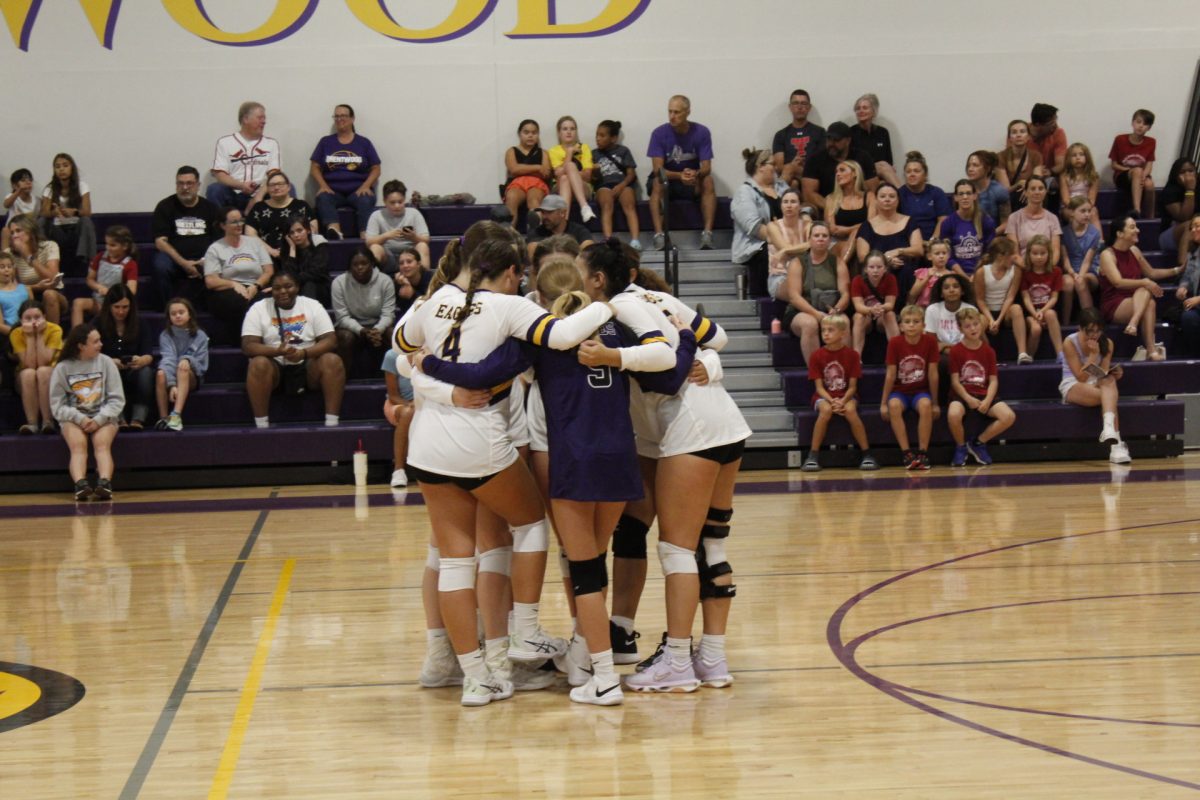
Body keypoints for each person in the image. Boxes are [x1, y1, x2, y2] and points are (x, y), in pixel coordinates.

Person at [392, 235, 622, 707]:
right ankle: (527, 630)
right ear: (512, 272)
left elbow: (402, 348)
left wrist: (435, 382)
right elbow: (561, 335)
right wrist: (608, 307)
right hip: (477, 438)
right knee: (531, 522)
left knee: (454, 558)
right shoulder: (507, 305)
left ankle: (477, 676)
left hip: (427, 443)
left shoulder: (435, 301)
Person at [242, 269, 344, 429]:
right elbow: (248, 345)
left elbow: (330, 340)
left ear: (297, 287)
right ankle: (261, 426)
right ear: (271, 290)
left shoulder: (312, 305)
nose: (283, 291)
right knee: (258, 363)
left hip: (307, 363)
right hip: (274, 365)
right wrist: (277, 351)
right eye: (277, 288)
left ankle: (332, 423)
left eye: (288, 286)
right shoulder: (258, 308)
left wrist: (303, 353)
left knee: (332, 360)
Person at [51, 324, 125, 500]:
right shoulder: (63, 368)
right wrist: (80, 418)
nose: (100, 344)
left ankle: (104, 483)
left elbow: (117, 399)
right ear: (81, 346)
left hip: (104, 416)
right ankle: (80, 485)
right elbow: (57, 405)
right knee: (78, 447)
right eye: (95, 341)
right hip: (74, 418)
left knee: (101, 445)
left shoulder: (106, 362)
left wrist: (99, 419)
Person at [1099, 213, 1180, 361]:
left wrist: (1176, 270)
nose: (1138, 230)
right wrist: (1144, 282)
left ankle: (1139, 331)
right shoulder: (1107, 254)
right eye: (1132, 227)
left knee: (1148, 299)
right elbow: (1118, 282)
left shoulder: (1135, 251)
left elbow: (1152, 273)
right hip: (1114, 303)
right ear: (1120, 233)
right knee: (1145, 289)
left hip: (1137, 299)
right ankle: (1149, 345)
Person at [802, 313, 876, 471]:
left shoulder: (852, 355)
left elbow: (852, 387)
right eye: (823, 330)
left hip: (846, 395)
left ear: (843, 334)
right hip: (824, 396)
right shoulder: (816, 355)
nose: (826, 334)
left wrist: (842, 401)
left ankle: (867, 454)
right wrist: (832, 401)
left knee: (850, 410)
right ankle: (812, 455)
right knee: (826, 411)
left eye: (831, 330)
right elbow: (819, 388)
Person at [947, 306, 1016, 466]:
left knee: (1008, 416)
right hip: (964, 394)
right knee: (953, 414)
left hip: (984, 393)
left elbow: (993, 380)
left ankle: (977, 443)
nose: (973, 328)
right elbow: (955, 382)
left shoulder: (988, 351)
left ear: (981, 324)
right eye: (968, 326)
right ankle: (961, 446)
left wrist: (987, 400)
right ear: (960, 328)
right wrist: (968, 398)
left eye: (976, 324)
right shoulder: (956, 351)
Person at [1060, 308, 1130, 464]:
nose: (1094, 335)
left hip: (1096, 384)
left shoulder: (1108, 343)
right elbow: (1080, 376)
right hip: (1073, 384)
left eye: (1098, 331)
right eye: (1090, 331)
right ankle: (1116, 444)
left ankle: (1108, 431)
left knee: (1110, 382)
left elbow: (1102, 373)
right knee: (1110, 398)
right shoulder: (1070, 342)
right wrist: (1092, 355)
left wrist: (1113, 373)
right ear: (1080, 328)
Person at [646, 95, 717, 250]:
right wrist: (679, 176)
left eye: (677, 112)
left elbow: (706, 166)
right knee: (658, 182)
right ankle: (659, 235)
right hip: (668, 179)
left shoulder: (702, 132)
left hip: (691, 179)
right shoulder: (659, 133)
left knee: (708, 180)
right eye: (670, 112)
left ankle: (707, 234)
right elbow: (658, 169)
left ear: (687, 112)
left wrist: (695, 174)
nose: (672, 116)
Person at [879, 304, 940, 471]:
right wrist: (883, 402)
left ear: (923, 325)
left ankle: (922, 453)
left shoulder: (930, 342)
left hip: (921, 391)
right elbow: (891, 374)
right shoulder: (895, 343)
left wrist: (935, 402)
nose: (911, 325)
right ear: (901, 326)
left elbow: (933, 374)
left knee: (926, 405)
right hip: (900, 391)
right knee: (893, 406)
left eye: (916, 321)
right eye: (907, 321)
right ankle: (906, 453)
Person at [151, 166, 220, 310]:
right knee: (160, 265)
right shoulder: (164, 206)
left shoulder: (211, 208)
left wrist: (203, 262)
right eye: (180, 183)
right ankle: (168, 310)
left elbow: (219, 242)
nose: (185, 187)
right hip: (175, 259)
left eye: (189, 183)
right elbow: (160, 242)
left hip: (204, 259)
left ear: (198, 185)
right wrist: (183, 263)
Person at [203, 207, 274, 345]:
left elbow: (268, 271)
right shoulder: (215, 248)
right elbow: (211, 281)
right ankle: (246, 342)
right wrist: (234, 284)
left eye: (241, 221)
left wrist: (256, 286)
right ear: (223, 225)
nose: (239, 225)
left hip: (255, 286)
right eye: (234, 222)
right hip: (227, 290)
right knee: (238, 302)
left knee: (268, 299)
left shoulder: (254, 243)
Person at [310, 103, 381, 239]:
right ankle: (334, 232)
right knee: (322, 198)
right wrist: (323, 186)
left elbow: (376, 168)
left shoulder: (364, 143)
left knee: (366, 200)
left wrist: (366, 186)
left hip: (358, 190)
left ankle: (365, 236)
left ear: (352, 119)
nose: (339, 119)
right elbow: (314, 167)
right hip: (333, 191)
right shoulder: (325, 142)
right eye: (336, 116)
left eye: (343, 116)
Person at [784, 221, 850, 364]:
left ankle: (842, 369)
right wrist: (817, 315)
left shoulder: (838, 262)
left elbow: (845, 294)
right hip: (802, 311)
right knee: (810, 323)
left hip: (831, 308)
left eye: (824, 236)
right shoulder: (797, 262)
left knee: (843, 321)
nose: (821, 239)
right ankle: (816, 372)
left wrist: (836, 310)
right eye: (817, 235)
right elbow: (794, 297)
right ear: (809, 240)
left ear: (830, 240)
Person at [93, 284, 155, 430]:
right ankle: (117, 416)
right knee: (108, 372)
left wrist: (141, 360)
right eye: (117, 307)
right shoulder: (98, 323)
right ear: (109, 306)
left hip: (134, 371)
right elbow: (90, 352)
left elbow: (149, 354)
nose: (121, 311)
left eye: (125, 307)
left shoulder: (141, 323)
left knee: (146, 373)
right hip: (109, 371)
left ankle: (138, 418)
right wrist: (109, 361)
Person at [732, 148, 787, 296]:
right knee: (768, 253)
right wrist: (781, 242)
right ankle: (765, 297)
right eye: (772, 164)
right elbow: (754, 227)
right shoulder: (744, 192)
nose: (776, 168)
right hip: (756, 246)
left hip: (787, 239)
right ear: (760, 167)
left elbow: (797, 207)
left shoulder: (782, 187)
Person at [206, 101, 281, 211]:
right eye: (260, 118)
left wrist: (258, 197)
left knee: (287, 188)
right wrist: (241, 185)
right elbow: (220, 175)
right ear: (245, 119)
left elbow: (274, 174)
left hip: (263, 194)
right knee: (214, 189)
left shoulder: (271, 144)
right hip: (234, 194)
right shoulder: (225, 142)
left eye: (264, 118)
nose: (264, 122)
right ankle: (223, 225)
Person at [332, 246, 395, 375]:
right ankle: (343, 379)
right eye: (355, 264)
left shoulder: (385, 281)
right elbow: (342, 317)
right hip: (351, 328)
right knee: (345, 337)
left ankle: (393, 378)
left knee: (392, 333)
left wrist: (377, 329)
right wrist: (361, 330)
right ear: (349, 267)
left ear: (372, 264)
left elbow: (388, 314)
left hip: (377, 326)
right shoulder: (338, 283)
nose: (359, 267)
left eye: (364, 263)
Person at [855, 181, 922, 290]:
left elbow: (918, 249)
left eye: (891, 196)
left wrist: (898, 251)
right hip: (877, 273)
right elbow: (862, 257)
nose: (887, 199)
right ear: (876, 200)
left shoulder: (909, 221)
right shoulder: (867, 226)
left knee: (906, 271)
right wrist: (886, 261)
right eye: (882, 196)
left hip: (905, 271)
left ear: (898, 200)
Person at [973, 237, 1031, 363]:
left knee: (1017, 309)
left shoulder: (1016, 271)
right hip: (987, 312)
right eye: (1012, 255)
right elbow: (981, 300)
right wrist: (991, 320)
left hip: (1005, 313)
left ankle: (1022, 353)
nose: (1015, 258)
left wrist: (998, 320)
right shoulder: (982, 272)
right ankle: (988, 356)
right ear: (1001, 256)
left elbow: (1010, 297)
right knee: (977, 321)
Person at [155, 297, 208, 431]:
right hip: (172, 373)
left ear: (189, 314)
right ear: (169, 317)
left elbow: (201, 364)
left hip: (192, 375)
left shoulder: (200, 335)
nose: (177, 316)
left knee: (183, 366)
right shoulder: (166, 335)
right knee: (160, 373)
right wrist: (172, 384)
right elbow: (168, 358)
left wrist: (187, 360)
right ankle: (164, 418)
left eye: (181, 312)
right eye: (173, 314)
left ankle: (176, 415)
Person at [9, 299, 62, 434]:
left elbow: (44, 362)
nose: (33, 322)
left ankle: (47, 422)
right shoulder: (16, 333)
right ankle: (32, 423)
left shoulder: (55, 329)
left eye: (37, 317)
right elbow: (30, 364)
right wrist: (30, 337)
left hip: (50, 375)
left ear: (44, 317)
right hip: (25, 379)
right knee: (28, 373)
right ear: (21, 320)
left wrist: (39, 335)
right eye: (28, 318)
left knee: (43, 371)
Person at [802, 121, 878, 212]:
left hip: (858, 207)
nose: (831, 143)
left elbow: (872, 189)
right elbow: (809, 194)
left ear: (848, 141)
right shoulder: (815, 159)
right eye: (829, 139)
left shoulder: (863, 157)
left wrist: (857, 207)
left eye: (836, 140)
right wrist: (834, 209)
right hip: (827, 208)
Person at [71, 225, 138, 328]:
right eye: (106, 244)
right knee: (78, 303)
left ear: (124, 246)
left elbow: (131, 290)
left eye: (112, 245)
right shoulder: (101, 257)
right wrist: (99, 287)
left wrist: (113, 294)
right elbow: (90, 279)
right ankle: (77, 335)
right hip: (98, 301)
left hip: (115, 304)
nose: (108, 248)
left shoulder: (130, 264)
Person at [6, 214, 66, 325]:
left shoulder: (50, 246)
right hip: (26, 293)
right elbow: (9, 287)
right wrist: (36, 287)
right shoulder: (9, 253)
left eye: (18, 231)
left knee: (49, 294)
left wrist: (28, 256)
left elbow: (52, 278)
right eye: (12, 233)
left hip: (53, 292)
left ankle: (53, 337)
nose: (15, 236)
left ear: (30, 231)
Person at [40, 153, 94, 270]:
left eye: (65, 165)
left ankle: (84, 259)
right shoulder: (49, 188)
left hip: (75, 229)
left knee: (86, 220)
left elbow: (87, 211)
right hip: (57, 230)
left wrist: (74, 212)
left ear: (72, 168)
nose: (61, 169)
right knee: (42, 221)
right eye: (58, 166)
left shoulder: (82, 186)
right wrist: (53, 212)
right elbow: (43, 212)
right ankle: (41, 258)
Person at [245, 171, 317, 257]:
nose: (276, 187)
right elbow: (250, 234)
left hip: (299, 255)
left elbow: (313, 231)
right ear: (267, 189)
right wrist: (271, 251)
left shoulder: (301, 205)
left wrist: (293, 251)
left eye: (280, 184)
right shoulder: (258, 207)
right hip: (266, 256)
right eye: (272, 185)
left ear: (289, 187)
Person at [592, 120, 640, 247]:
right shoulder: (594, 154)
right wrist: (595, 172)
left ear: (613, 138)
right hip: (604, 186)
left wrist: (621, 186)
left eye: (602, 136)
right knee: (607, 204)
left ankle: (635, 240)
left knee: (629, 203)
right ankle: (608, 239)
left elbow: (631, 174)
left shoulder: (623, 151)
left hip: (622, 183)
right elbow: (593, 179)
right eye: (597, 135)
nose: (598, 139)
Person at [365, 179, 431, 272]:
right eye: (392, 202)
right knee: (375, 248)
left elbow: (426, 239)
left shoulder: (414, 213)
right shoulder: (376, 215)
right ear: (385, 201)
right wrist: (386, 236)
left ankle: (425, 279)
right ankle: (372, 282)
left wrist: (413, 237)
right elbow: (369, 242)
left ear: (404, 200)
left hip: (410, 255)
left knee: (422, 246)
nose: (397, 206)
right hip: (388, 257)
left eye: (400, 202)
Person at [937, 180, 995, 277]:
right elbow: (948, 256)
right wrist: (963, 276)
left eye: (968, 193)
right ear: (955, 197)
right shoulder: (947, 223)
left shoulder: (986, 221)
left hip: (981, 272)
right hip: (956, 274)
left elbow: (989, 252)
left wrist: (976, 274)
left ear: (975, 196)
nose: (965, 197)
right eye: (961, 194)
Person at [1020, 235, 1064, 357]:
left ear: (1049, 254)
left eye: (1042, 253)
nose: (1039, 257)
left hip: (1048, 310)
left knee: (1050, 313)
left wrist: (1043, 311)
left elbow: (1054, 297)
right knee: (1036, 329)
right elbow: (1026, 297)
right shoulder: (1025, 273)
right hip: (1031, 313)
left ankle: (1060, 353)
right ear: (1029, 254)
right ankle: (1028, 357)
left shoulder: (1056, 272)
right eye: (1035, 253)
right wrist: (1035, 314)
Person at [771, 89, 825, 189]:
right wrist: (793, 165)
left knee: (790, 169)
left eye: (803, 103)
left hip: (813, 176)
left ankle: (775, 197)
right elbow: (778, 167)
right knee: (794, 182)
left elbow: (822, 163)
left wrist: (800, 166)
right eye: (795, 103)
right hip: (790, 178)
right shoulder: (780, 135)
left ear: (809, 107)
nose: (800, 107)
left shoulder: (820, 132)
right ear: (790, 107)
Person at [503, 119, 552, 228]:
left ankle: (535, 234)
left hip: (537, 184)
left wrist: (523, 170)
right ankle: (509, 234)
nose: (530, 136)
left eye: (534, 133)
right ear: (519, 134)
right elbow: (514, 169)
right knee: (512, 197)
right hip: (516, 184)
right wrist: (537, 167)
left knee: (533, 199)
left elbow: (546, 173)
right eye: (526, 132)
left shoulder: (543, 153)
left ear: (538, 135)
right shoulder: (511, 151)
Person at [547, 115, 596, 223]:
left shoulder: (584, 148)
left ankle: (564, 222)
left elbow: (587, 176)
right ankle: (584, 207)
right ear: (559, 132)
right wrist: (569, 153)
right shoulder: (553, 150)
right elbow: (557, 174)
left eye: (572, 129)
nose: (569, 132)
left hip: (583, 187)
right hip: (559, 187)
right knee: (566, 175)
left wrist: (569, 172)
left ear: (576, 131)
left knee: (566, 175)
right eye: (565, 129)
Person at [1109, 109, 1157, 218]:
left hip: (1140, 175)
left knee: (1149, 185)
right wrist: (1131, 171)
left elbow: (1149, 164)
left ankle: (1150, 217)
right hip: (1122, 175)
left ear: (1149, 128)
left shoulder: (1151, 142)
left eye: (1145, 124)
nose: (1141, 126)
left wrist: (1143, 176)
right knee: (1137, 170)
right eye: (1138, 122)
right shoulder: (1120, 139)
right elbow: (1114, 165)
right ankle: (1137, 210)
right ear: (1133, 122)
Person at [765, 188, 812, 300]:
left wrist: (785, 251)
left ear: (800, 206)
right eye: (785, 202)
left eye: (793, 202)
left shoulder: (807, 225)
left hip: (805, 275)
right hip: (780, 277)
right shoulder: (773, 226)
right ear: (781, 206)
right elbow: (786, 247)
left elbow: (814, 244)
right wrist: (805, 246)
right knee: (798, 288)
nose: (789, 205)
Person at [850, 250, 899, 355]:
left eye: (879, 267)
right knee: (858, 316)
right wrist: (871, 310)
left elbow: (890, 305)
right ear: (865, 269)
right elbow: (858, 306)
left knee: (890, 314)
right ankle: (856, 356)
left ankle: (897, 354)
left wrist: (879, 309)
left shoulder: (890, 279)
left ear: (885, 268)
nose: (875, 271)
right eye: (871, 267)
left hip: (882, 315)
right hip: (866, 315)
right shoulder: (857, 280)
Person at [1006, 175, 1061, 268]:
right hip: (1022, 268)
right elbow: (1014, 253)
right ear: (1026, 192)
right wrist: (1030, 269)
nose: (1037, 192)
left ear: (1045, 192)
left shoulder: (1053, 218)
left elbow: (1055, 251)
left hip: (1046, 268)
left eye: (1040, 188)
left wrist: (1045, 269)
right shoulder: (1014, 218)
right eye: (1033, 189)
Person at [277, 215, 330, 306]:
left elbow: (316, 272)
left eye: (299, 230)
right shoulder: (288, 250)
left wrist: (294, 279)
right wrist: (292, 250)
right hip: (296, 288)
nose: (296, 235)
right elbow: (288, 275)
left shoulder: (319, 243)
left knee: (309, 285)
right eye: (292, 233)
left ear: (308, 230)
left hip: (319, 288)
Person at [380, 348, 414, 488]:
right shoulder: (392, 355)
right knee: (408, 414)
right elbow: (393, 396)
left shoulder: (431, 351)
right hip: (399, 403)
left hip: (426, 403)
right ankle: (399, 470)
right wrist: (411, 404)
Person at [898, 151, 951, 241]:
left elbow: (943, 219)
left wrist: (933, 240)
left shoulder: (936, 193)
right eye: (908, 171)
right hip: (907, 243)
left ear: (925, 174)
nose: (912, 174)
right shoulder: (899, 194)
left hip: (933, 242)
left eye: (916, 171)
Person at [1062, 196, 1101, 316]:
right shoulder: (1063, 232)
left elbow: (1087, 261)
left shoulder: (1094, 232)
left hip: (1089, 271)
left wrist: (1080, 276)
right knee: (1068, 283)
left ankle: (1090, 319)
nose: (1087, 214)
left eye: (1089, 211)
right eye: (1083, 211)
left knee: (1080, 281)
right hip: (1070, 270)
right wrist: (1072, 273)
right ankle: (1065, 322)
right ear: (1072, 213)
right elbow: (1065, 258)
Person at [849, 93, 899, 187]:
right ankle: (905, 196)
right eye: (858, 108)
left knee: (885, 171)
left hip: (880, 177)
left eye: (865, 108)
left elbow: (889, 161)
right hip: (859, 175)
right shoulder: (850, 133)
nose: (861, 111)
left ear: (874, 111)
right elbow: (850, 162)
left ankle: (900, 194)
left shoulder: (883, 132)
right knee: (882, 166)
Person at [525, 195, 593, 257]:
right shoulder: (537, 232)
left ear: (562, 213)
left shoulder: (578, 230)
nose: (544, 217)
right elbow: (532, 248)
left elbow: (588, 245)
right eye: (543, 212)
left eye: (549, 212)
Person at [924, 273, 976, 353]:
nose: (951, 290)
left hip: (965, 353)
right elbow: (932, 342)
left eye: (955, 286)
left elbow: (972, 341)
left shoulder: (971, 309)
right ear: (941, 293)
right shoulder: (932, 310)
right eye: (946, 287)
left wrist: (945, 345)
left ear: (962, 291)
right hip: (940, 354)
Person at [998, 120, 1042, 212]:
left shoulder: (1036, 156)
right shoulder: (1001, 157)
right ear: (1009, 138)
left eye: (1022, 131)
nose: (1018, 135)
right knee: (1019, 193)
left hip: (1030, 194)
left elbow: (1038, 182)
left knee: (1036, 193)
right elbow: (1005, 191)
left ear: (1028, 136)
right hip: (1011, 198)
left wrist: (1027, 187)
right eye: (1014, 132)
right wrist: (1018, 184)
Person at [1159, 159, 1198, 257]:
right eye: (1182, 172)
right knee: (1190, 225)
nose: (1187, 175)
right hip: (1170, 234)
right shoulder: (1170, 191)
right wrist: (1189, 190)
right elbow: (1185, 217)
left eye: (1190, 171)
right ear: (1175, 175)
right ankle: (1184, 267)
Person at [966, 150, 1010, 231]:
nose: (970, 169)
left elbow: (1006, 223)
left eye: (975, 165)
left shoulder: (999, 191)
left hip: (993, 235)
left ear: (988, 168)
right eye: (969, 165)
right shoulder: (964, 190)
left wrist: (991, 235)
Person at [1176, 214, 1200, 357]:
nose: (1193, 230)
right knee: (1188, 318)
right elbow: (1187, 275)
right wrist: (1183, 287)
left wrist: (1199, 299)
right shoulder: (1193, 253)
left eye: (1197, 226)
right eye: (1192, 227)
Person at [1028, 103, 1067, 188]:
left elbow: (1061, 164)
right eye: (1051, 123)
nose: (1055, 125)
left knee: (1053, 185)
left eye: (1056, 120)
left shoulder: (1058, 133)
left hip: (1048, 177)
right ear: (1038, 125)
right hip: (1026, 177)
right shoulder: (1021, 133)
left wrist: (1050, 171)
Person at [1060, 143, 1100, 224]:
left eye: (1081, 155)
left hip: (1087, 206)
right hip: (1070, 207)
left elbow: (1092, 199)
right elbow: (1065, 199)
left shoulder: (1094, 177)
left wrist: (1084, 209)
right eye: (1074, 155)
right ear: (1068, 159)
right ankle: (1075, 236)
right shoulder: (1064, 176)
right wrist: (1077, 209)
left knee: (1093, 213)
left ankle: (1098, 237)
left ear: (1087, 157)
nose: (1078, 158)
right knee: (1073, 215)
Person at [909, 239, 953, 309]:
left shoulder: (952, 275)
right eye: (937, 253)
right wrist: (927, 278)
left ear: (948, 255)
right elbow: (912, 294)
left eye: (944, 253)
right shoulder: (923, 273)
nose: (941, 256)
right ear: (929, 256)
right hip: (924, 309)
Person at [3, 168, 36, 250]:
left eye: (30, 180)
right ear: (14, 185)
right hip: (12, 230)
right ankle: (5, 257)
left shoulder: (36, 200)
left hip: (28, 230)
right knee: (5, 230)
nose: (28, 182)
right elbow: (6, 205)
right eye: (23, 180)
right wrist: (18, 191)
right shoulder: (12, 197)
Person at [393, 249, 432, 316]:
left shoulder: (431, 279)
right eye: (401, 263)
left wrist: (413, 294)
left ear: (418, 264)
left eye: (409, 262)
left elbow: (431, 307)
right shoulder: (398, 282)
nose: (405, 265)